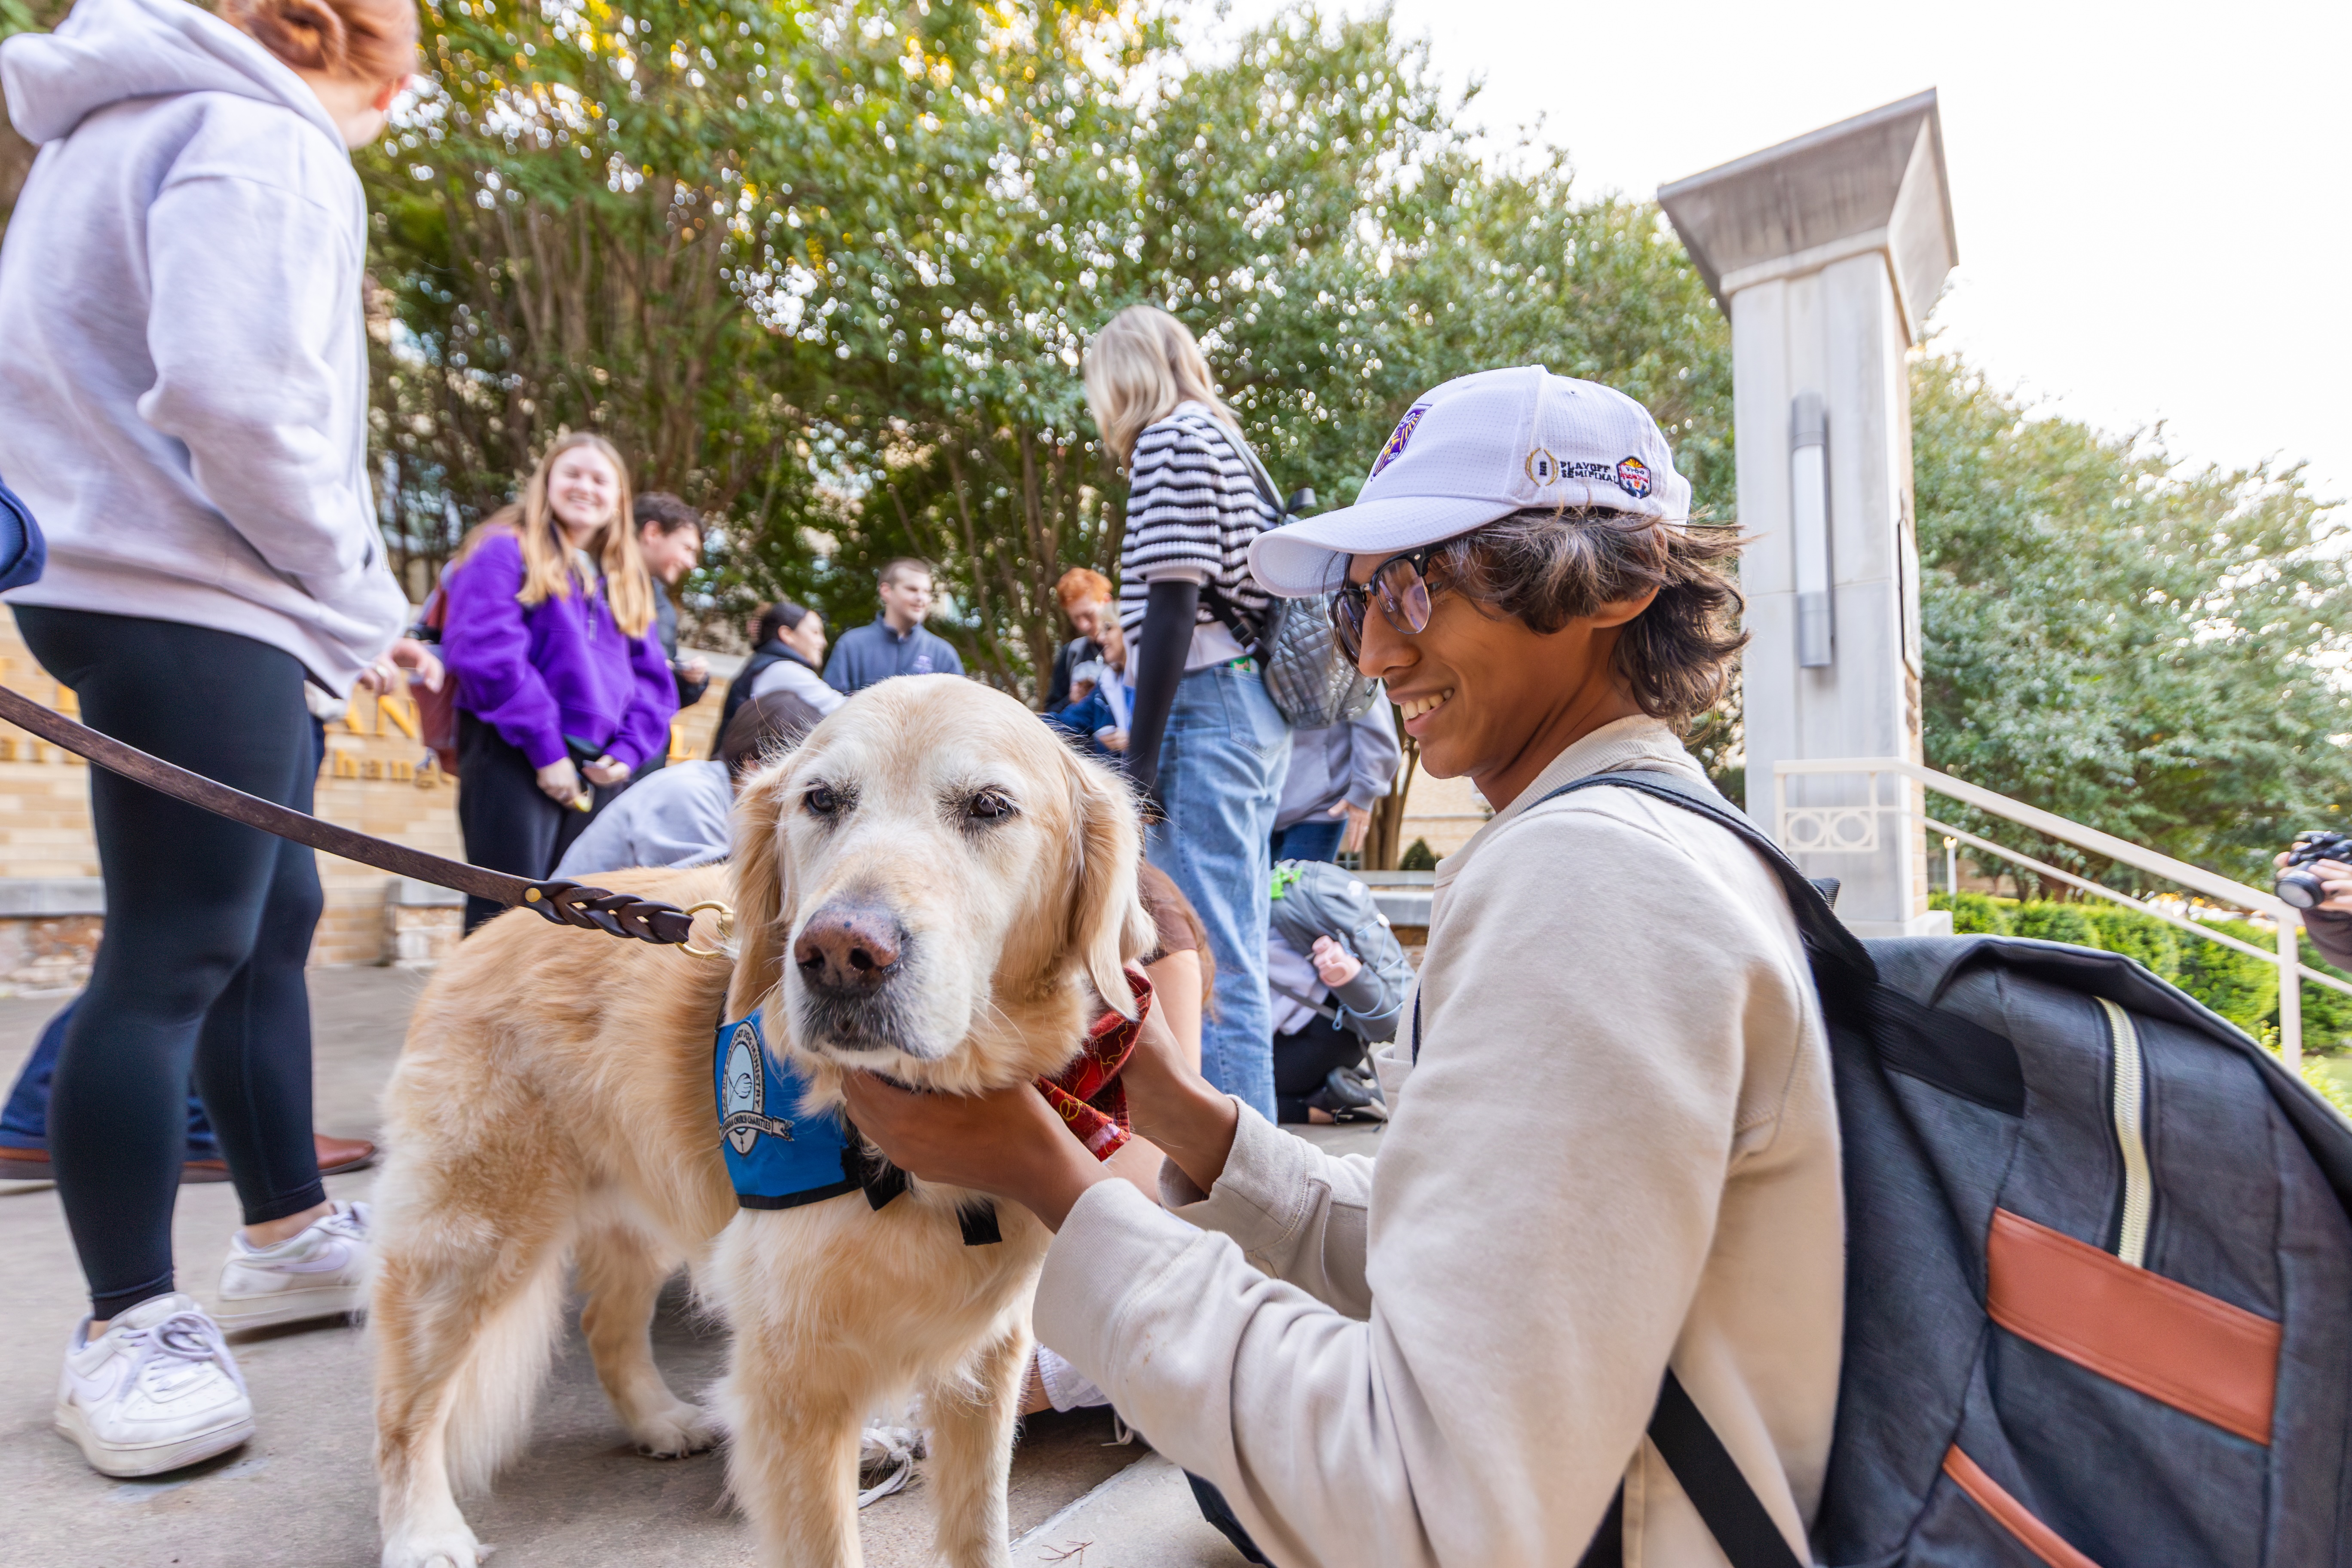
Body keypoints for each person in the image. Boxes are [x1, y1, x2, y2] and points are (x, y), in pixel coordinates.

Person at [839, 366, 1839, 1567]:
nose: (1370, 652)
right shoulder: (1660, 842)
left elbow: (1433, 1508)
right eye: (1361, 601)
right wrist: (1189, 1119)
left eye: (1413, 586)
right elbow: (1479, 1260)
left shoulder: (1590, 884)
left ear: (1610, 583)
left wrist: (1055, 1180)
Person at [0, 0, 422, 1478]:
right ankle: (124, 1322)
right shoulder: (261, 137)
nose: (381, 125)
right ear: (349, 56)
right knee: (175, 945)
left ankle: (291, 1226)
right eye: (393, 95)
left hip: (117, 570)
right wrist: (363, 597)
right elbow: (245, 402)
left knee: (271, 916)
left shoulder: (112, 125)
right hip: (195, 586)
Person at [1083, 305, 1291, 1121]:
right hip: (1247, 708)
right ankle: (1248, 1165)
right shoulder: (1225, 440)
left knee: (1213, 952)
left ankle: (1245, 1188)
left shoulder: (1170, 438)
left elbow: (1173, 601)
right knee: (1232, 939)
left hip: (1208, 703)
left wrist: (1139, 755)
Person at [439, 434, 678, 933]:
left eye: (600, 479)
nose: (584, 487)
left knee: (574, 927)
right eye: (572, 473)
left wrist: (630, 752)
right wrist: (547, 751)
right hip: (516, 756)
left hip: (599, 771)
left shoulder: (624, 581)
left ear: (618, 499)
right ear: (547, 482)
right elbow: (487, 654)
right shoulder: (504, 550)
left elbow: (655, 685)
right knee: (504, 921)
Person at [555, 690, 822, 879]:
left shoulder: (728, 797)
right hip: (566, 937)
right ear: (756, 766)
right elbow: (708, 900)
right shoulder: (691, 792)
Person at [1264, 860, 1410, 1124]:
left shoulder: (1233, 927)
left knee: (1226, 1084)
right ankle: (1338, 1093)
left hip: (1313, 1046)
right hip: (1347, 1029)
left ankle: (1320, 1108)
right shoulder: (1270, 899)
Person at [628, 490, 711, 775]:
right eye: (687, 548)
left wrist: (689, 682)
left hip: (639, 756)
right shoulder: (595, 584)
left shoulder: (662, 605)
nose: (691, 563)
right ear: (652, 532)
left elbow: (657, 687)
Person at [1268, 697, 1399, 864]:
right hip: (1260, 799)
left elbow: (1371, 712)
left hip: (1320, 806)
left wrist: (1365, 789)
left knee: (1298, 889)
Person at [709, 597, 840, 756]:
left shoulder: (765, 664)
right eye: (815, 632)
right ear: (787, 634)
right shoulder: (784, 670)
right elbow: (844, 709)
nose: (823, 642)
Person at [821, 556, 965, 693]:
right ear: (886, 592)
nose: (922, 598)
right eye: (912, 589)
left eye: (927, 592)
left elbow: (960, 711)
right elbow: (829, 709)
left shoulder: (943, 654)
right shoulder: (852, 646)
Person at [1044, 566, 1120, 710]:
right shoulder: (1071, 654)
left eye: (1089, 615)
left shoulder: (1128, 647)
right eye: (1076, 618)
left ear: (1107, 601)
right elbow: (1050, 715)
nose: (1083, 625)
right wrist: (1072, 700)